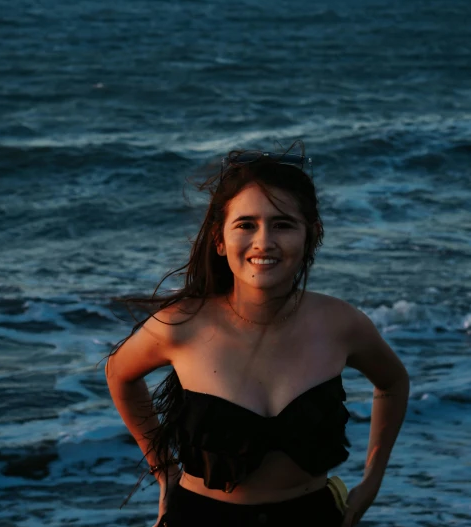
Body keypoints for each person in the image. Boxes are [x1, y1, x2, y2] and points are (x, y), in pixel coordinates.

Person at [105, 147, 410, 527]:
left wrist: (372, 480)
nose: (264, 241)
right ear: (220, 239)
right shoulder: (180, 326)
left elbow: (393, 381)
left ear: (310, 237)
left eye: (283, 224)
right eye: (246, 224)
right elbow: (119, 374)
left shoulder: (340, 324)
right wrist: (163, 471)